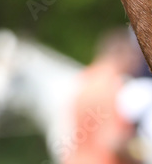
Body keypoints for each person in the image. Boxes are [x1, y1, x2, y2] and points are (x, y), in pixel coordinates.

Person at [61, 28, 144, 164]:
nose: (137, 63)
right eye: (134, 56)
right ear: (121, 54)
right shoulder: (113, 86)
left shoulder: (84, 80)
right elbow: (114, 143)